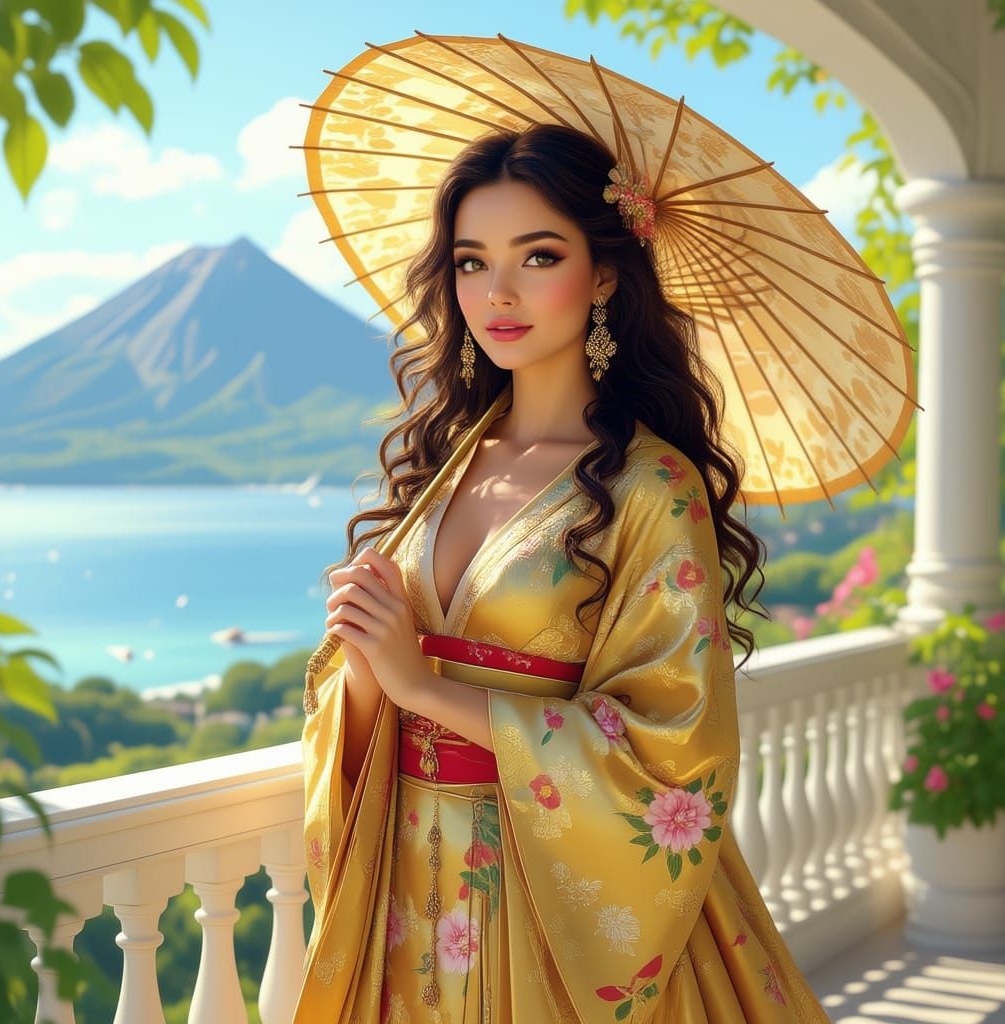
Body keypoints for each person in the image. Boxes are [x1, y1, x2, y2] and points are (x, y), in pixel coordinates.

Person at [292, 122, 831, 1022]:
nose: (497, 292)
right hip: (409, 898)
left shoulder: (654, 486)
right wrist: (363, 659)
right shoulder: (447, 464)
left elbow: (670, 746)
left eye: (537, 256)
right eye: (471, 261)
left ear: (607, 273)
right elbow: (371, 692)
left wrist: (421, 685)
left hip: (562, 910)